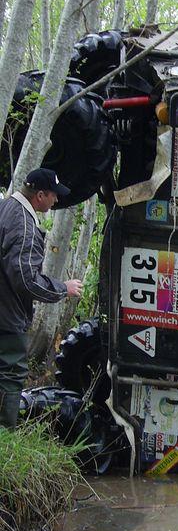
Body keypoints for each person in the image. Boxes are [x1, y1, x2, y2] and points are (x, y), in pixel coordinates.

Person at [0, 168, 83, 429]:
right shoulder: (24, 224)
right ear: (39, 195)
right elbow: (25, 279)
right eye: (53, 196)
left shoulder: (6, 207)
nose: (56, 200)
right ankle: (5, 436)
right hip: (7, 316)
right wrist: (62, 288)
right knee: (10, 376)